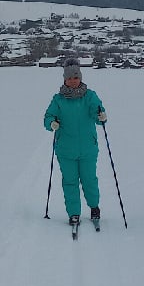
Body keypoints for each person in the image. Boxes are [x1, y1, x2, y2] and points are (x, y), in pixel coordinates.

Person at [43, 57, 107, 226]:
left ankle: (94, 207)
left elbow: (97, 113)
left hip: (88, 149)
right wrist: (52, 123)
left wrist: (101, 116)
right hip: (65, 150)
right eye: (70, 78)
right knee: (70, 182)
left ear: (80, 77)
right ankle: (74, 214)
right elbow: (48, 117)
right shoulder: (58, 99)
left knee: (89, 180)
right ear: (65, 79)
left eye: (76, 77)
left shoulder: (90, 96)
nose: (73, 81)